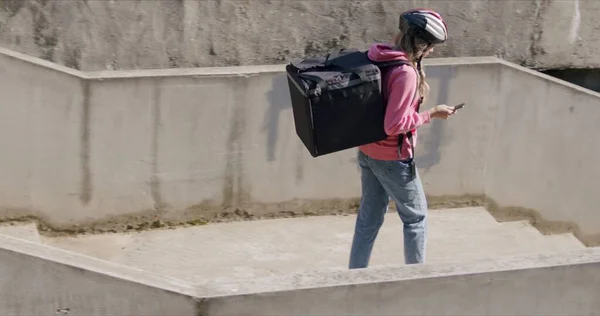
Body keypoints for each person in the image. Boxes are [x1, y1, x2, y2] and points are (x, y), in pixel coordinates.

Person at [349, 8, 455, 268]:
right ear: (421, 43)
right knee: (416, 218)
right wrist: (431, 114)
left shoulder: (379, 56)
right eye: (430, 46)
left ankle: (355, 275)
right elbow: (394, 124)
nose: (431, 51)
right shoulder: (405, 72)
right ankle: (416, 279)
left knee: (369, 218)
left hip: (368, 150)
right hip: (393, 158)